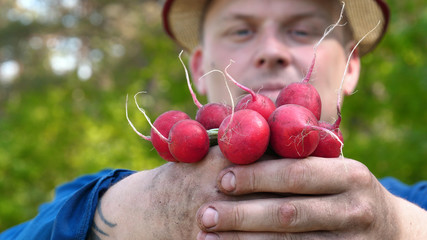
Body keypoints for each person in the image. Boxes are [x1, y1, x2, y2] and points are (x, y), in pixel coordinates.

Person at [1, 0, 427, 239]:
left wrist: (396, 227)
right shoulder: (93, 200)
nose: (272, 51)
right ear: (202, 69)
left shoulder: (415, 202)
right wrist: (145, 210)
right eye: (241, 31)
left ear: (351, 67)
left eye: (302, 31)